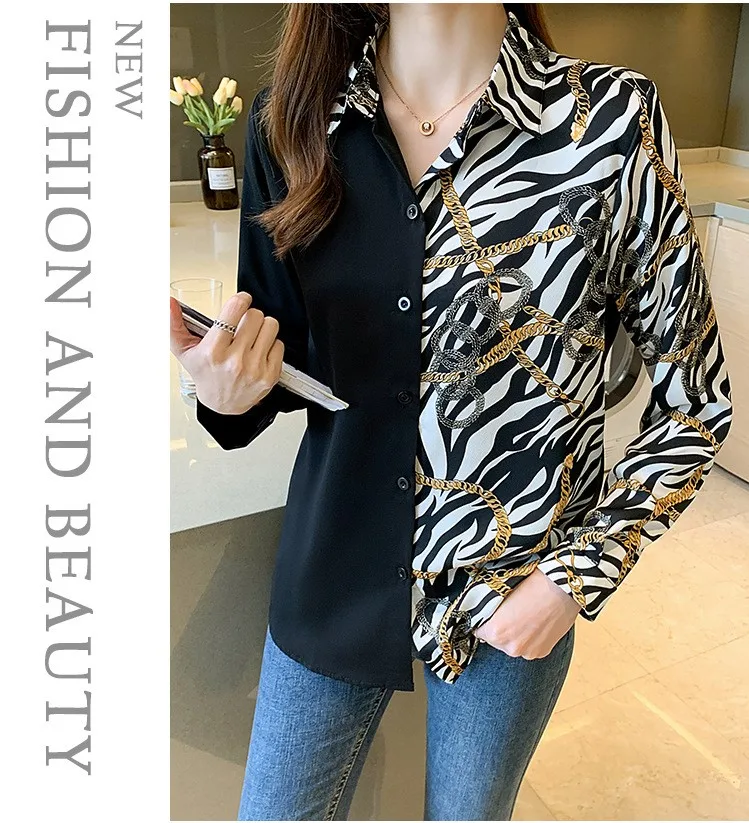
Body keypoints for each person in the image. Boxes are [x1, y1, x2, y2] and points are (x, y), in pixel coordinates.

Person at [168, 3, 733, 820]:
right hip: (335, 563)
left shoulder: (608, 121)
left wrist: (572, 576)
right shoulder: (288, 123)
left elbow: (695, 403)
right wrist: (222, 393)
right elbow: (280, 360)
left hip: (513, 581)